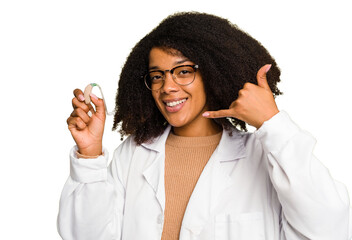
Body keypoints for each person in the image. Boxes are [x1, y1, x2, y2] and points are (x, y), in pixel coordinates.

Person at [58, 12, 352, 240]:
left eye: (183, 72)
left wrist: (272, 123)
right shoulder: (133, 154)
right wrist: (89, 154)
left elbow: (328, 225)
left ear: (212, 72)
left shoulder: (262, 156)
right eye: (157, 76)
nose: (167, 87)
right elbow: (84, 235)